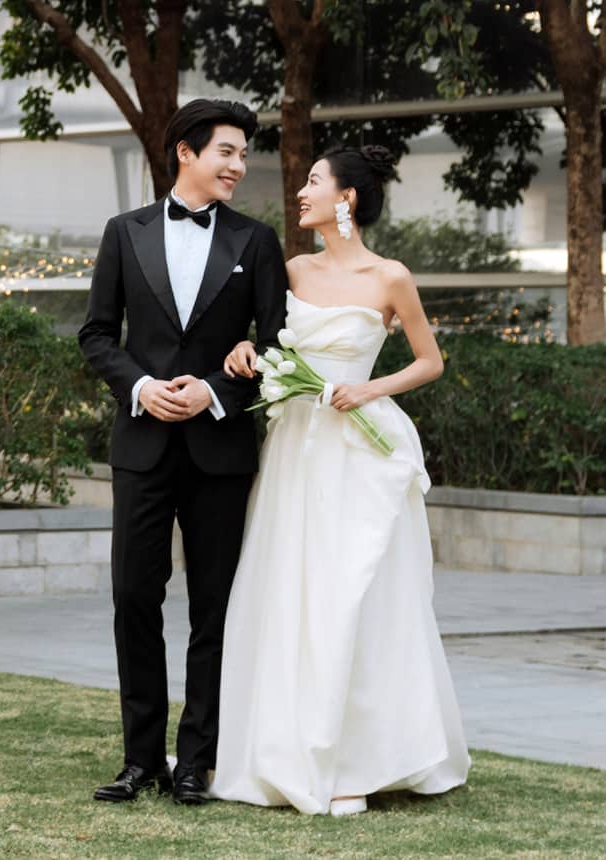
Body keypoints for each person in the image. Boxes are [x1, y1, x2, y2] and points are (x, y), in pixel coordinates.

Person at [210, 145, 471, 816]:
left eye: (314, 181)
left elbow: (430, 361)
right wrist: (244, 349)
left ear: (346, 197)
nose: (301, 192)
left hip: (359, 450)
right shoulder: (292, 269)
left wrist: (367, 388)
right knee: (292, 591)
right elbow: (268, 344)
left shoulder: (390, 277)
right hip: (296, 448)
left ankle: (358, 760)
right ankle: (286, 750)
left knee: (353, 592)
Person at [78, 99, 288, 806]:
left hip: (220, 451)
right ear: (186, 153)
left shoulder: (257, 241)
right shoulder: (124, 231)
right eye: (227, 151)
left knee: (215, 607)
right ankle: (141, 761)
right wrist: (141, 386)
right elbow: (96, 334)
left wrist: (217, 392)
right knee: (134, 598)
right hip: (141, 446)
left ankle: (198, 760)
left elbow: (277, 344)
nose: (239, 166)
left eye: (244, 155)